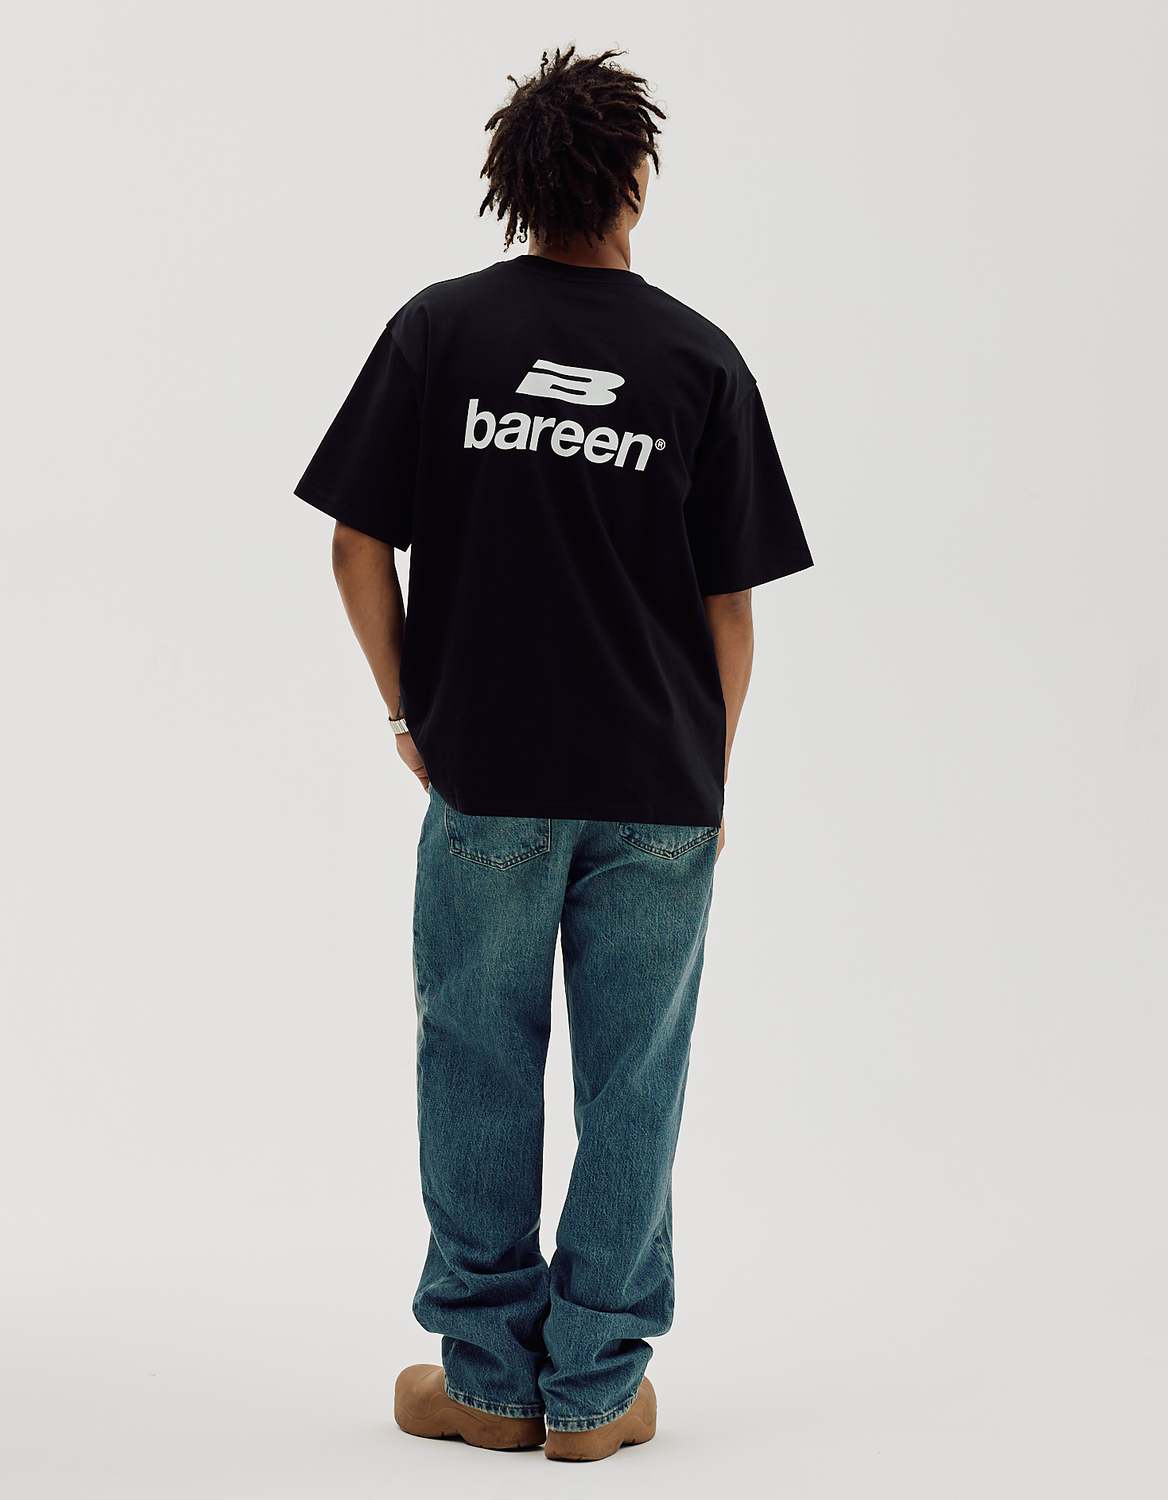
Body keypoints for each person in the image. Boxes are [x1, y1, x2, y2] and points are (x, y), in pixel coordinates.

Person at [294, 45, 813, 1463]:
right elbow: (731, 610)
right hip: (658, 788)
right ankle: (593, 1391)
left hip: (490, 779)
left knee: (476, 1059)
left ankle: (485, 1380)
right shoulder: (700, 360)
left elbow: (354, 543)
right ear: (637, 176)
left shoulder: (439, 334)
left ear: (510, 184)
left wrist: (408, 713)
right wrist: (706, 778)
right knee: (635, 1080)